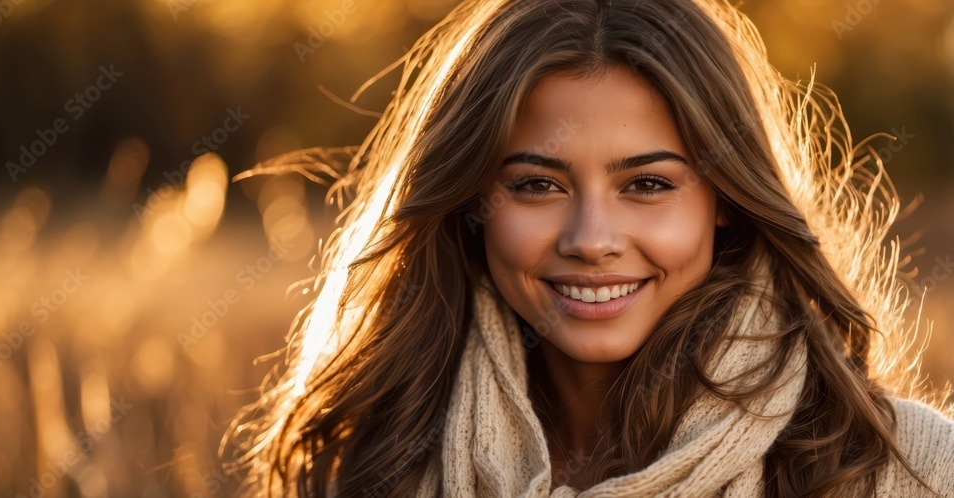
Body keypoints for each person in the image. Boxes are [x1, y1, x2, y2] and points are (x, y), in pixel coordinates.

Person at [224, 0, 954, 496]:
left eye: (647, 184)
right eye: (539, 185)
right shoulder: (370, 458)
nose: (593, 241)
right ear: (473, 201)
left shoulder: (906, 467)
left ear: (726, 200)